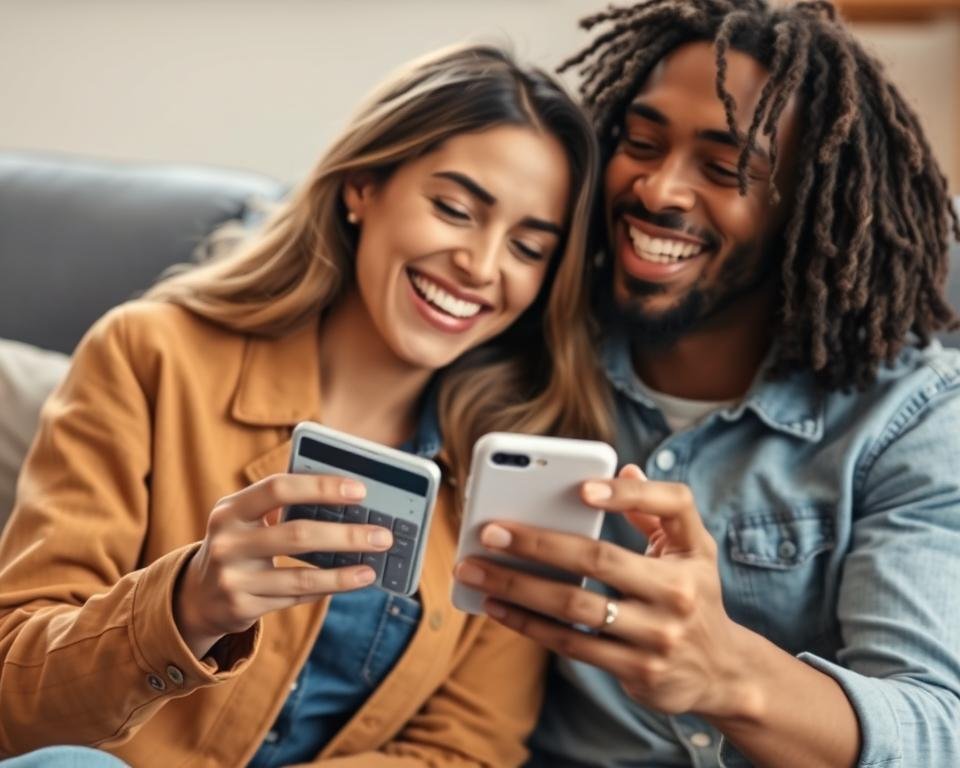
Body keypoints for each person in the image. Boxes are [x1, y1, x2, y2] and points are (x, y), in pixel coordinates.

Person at [0, 44, 612, 766]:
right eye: (454, 209)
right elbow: (14, 697)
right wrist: (183, 609)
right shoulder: (152, 355)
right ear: (362, 185)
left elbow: (468, 749)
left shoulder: (506, 470)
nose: (481, 267)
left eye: (528, 248)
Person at [453, 2, 960, 766]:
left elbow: (936, 731)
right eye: (642, 143)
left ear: (806, 210)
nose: (659, 191)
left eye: (725, 169)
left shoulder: (910, 417)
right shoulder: (522, 343)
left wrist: (726, 673)